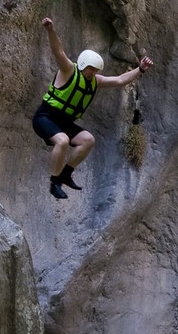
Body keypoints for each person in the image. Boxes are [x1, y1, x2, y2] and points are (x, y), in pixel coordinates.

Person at [32, 17, 155, 199]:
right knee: (63, 141)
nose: (94, 73)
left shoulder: (95, 81)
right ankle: (54, 182)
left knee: (88, 139)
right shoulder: (68, 71)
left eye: (96, 70)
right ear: (83, 65)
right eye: (92, 69)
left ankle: (65, 174)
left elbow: (120, 80)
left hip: (64, 122)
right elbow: (58, 51)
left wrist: (140, 70)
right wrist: (50, 30)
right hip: (45, 117)